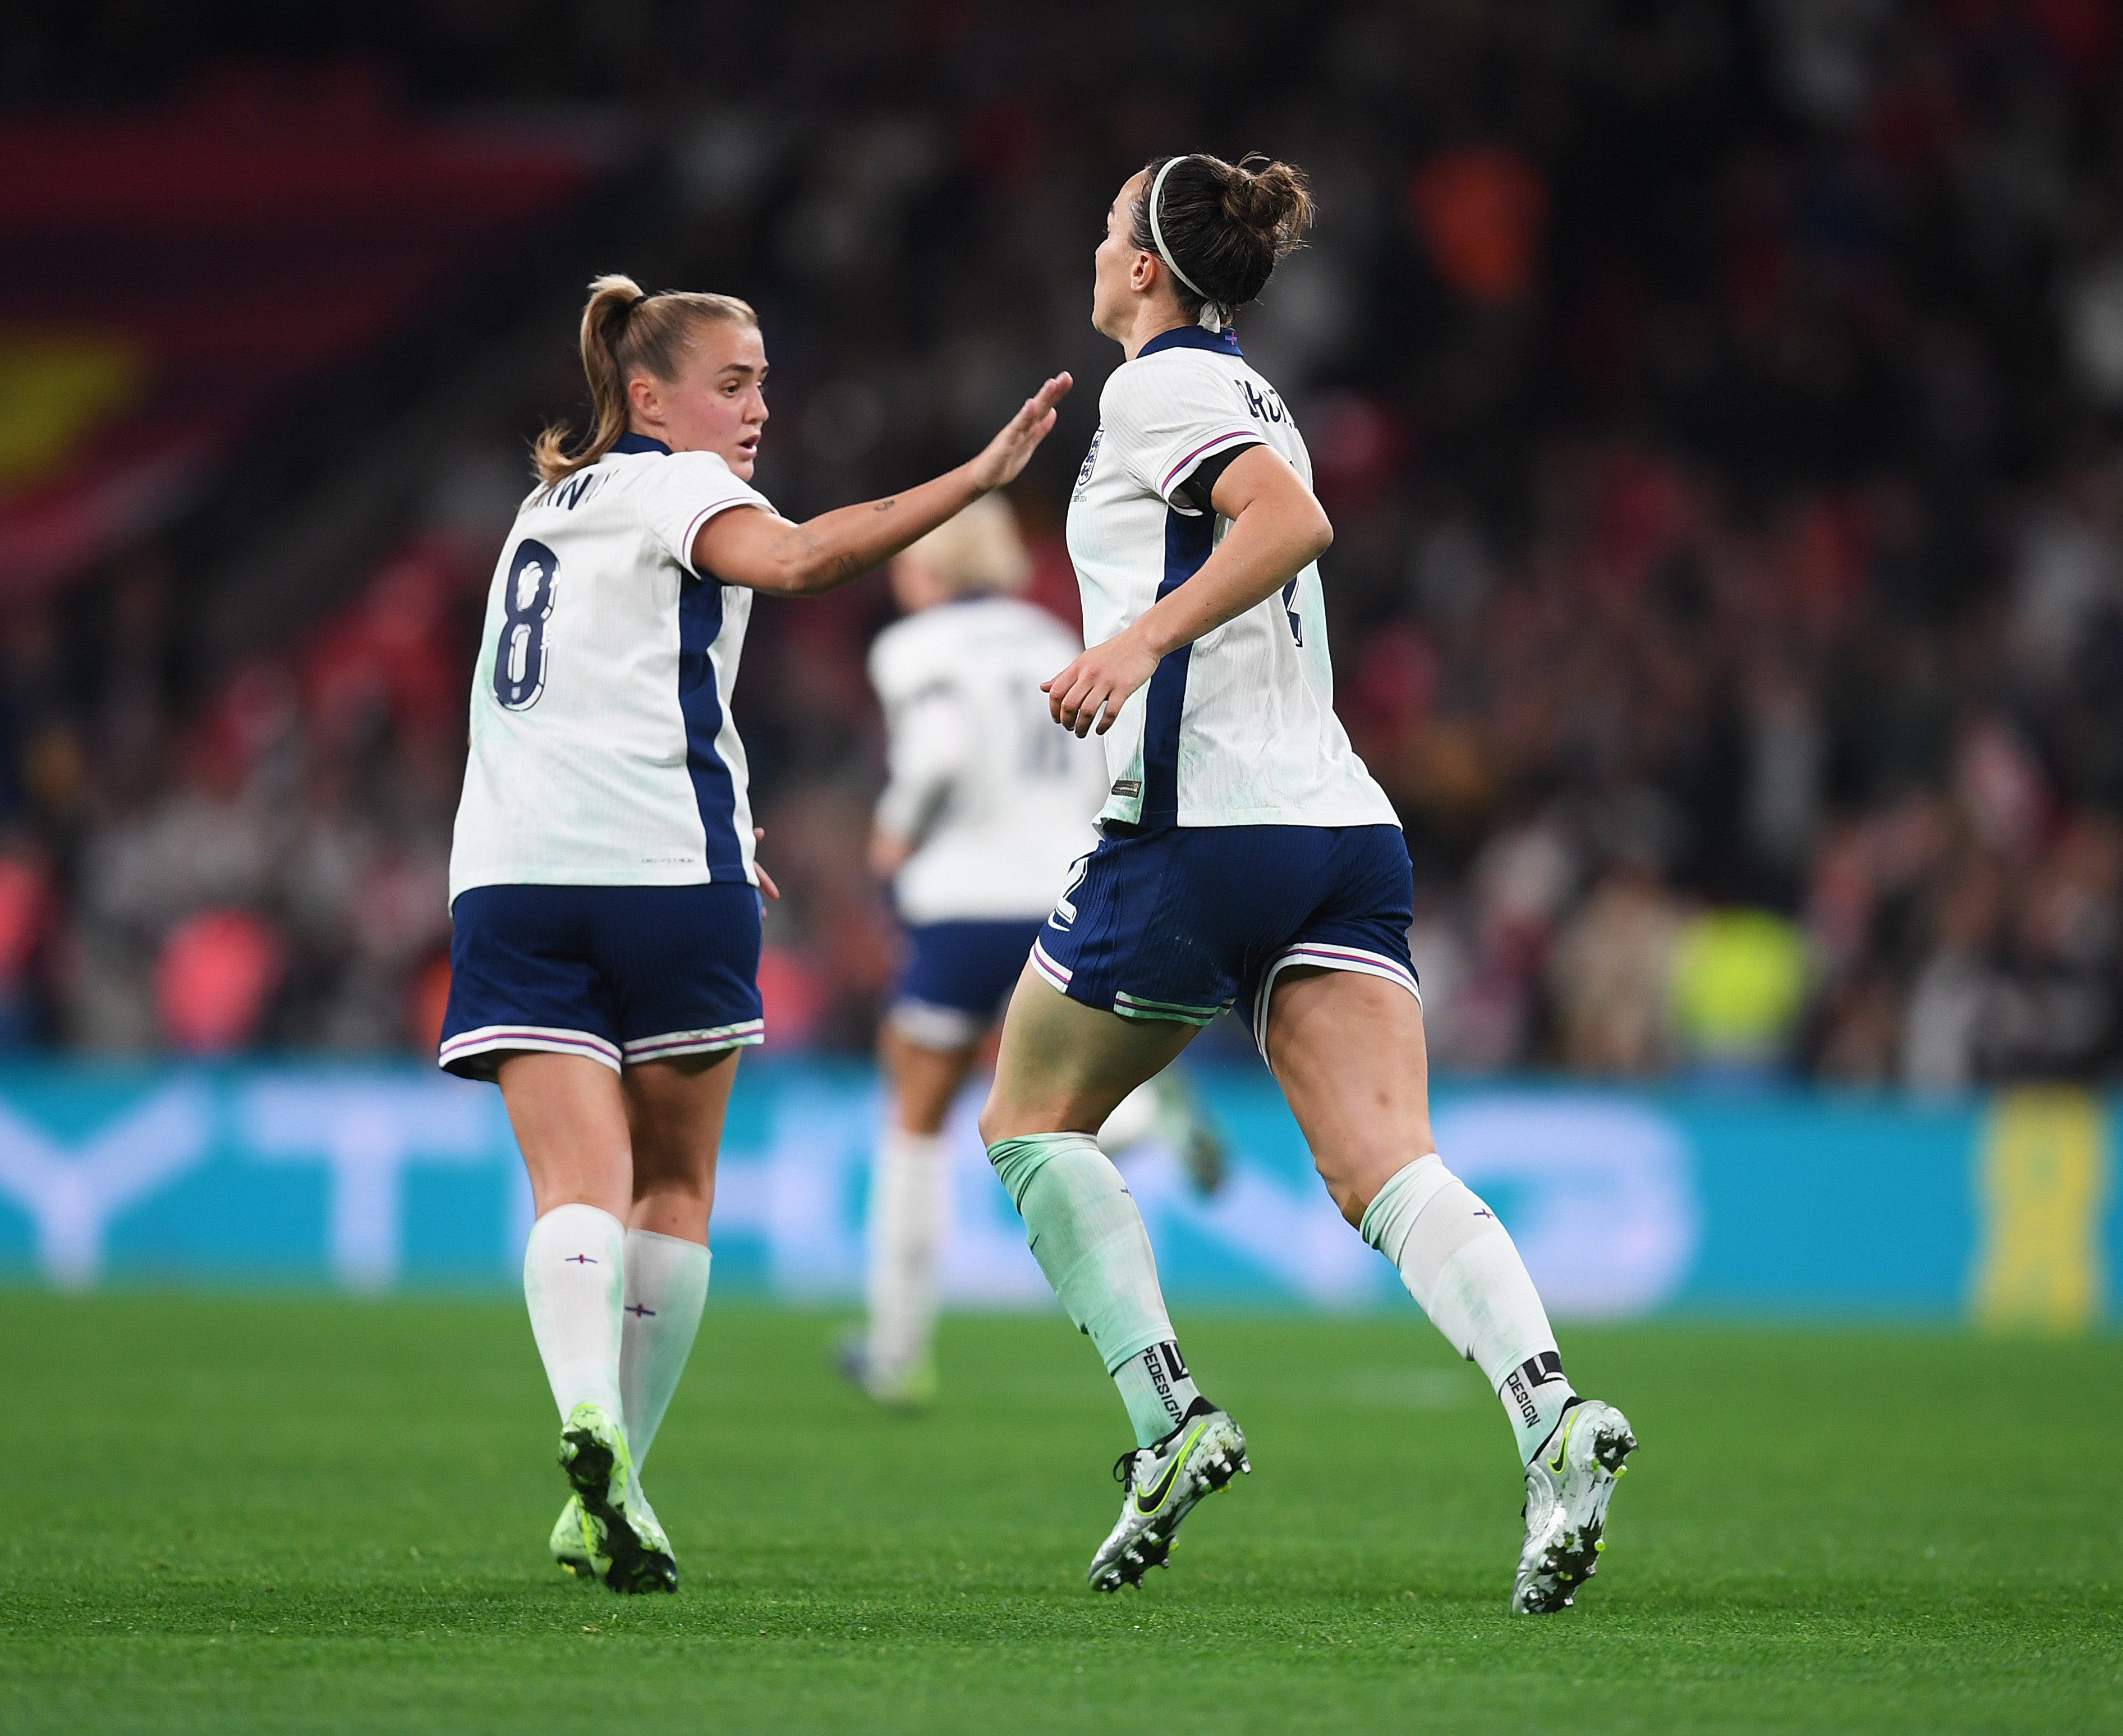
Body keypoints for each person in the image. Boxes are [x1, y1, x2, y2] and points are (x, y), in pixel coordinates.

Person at [975, 155, 1637, 1613]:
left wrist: (1137, 641)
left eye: (1105, 229)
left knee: (1027, 1119)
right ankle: (1552, 1414)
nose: (1092, 247)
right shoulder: (1241, 385)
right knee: (1387, 1164)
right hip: (1339, 827)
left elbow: (1287, 520)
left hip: (1203, 827)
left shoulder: (1159, 391)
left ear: (1148, 269)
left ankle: (1167, 1419)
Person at [439, 273, 1068, 1594]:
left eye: (764, 382)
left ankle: (582, 1418)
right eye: (734, 384)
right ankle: (626, 1464)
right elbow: (794, 562)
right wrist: (972, 479)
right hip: (666, 879)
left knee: (570, 1184)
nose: (759, 411)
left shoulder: (537, 513)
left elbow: (577, 694)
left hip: (509, 870)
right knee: (670, 1184)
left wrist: (718, 807)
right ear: (647, 394)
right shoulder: (677, 488)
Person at [840, 496, 1230, 1410]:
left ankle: (897, 1350)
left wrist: (895, 835)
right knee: (1051, 1099)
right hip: (1060, 890)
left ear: (924, 565)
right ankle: (1137, 1117)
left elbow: (935, 755)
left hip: (961, 902)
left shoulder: (914, 648)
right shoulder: (1048, 632)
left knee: (917, 1116)